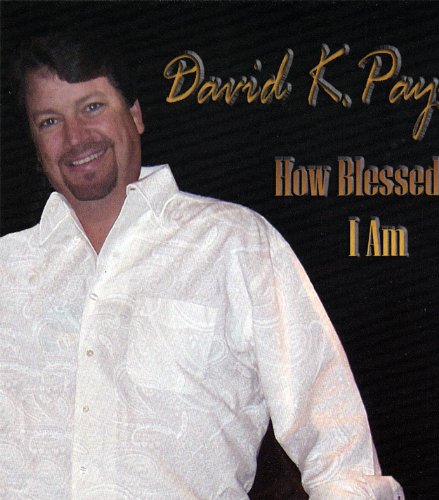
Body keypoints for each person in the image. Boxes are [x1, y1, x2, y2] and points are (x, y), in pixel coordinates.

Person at [0, 32, 404, 499]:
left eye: (92, 107)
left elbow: (339, 446)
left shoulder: (234, 245)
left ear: (135, 115)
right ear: (36, 144)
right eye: (50, 121)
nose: (74, 137)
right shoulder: (8, 269)